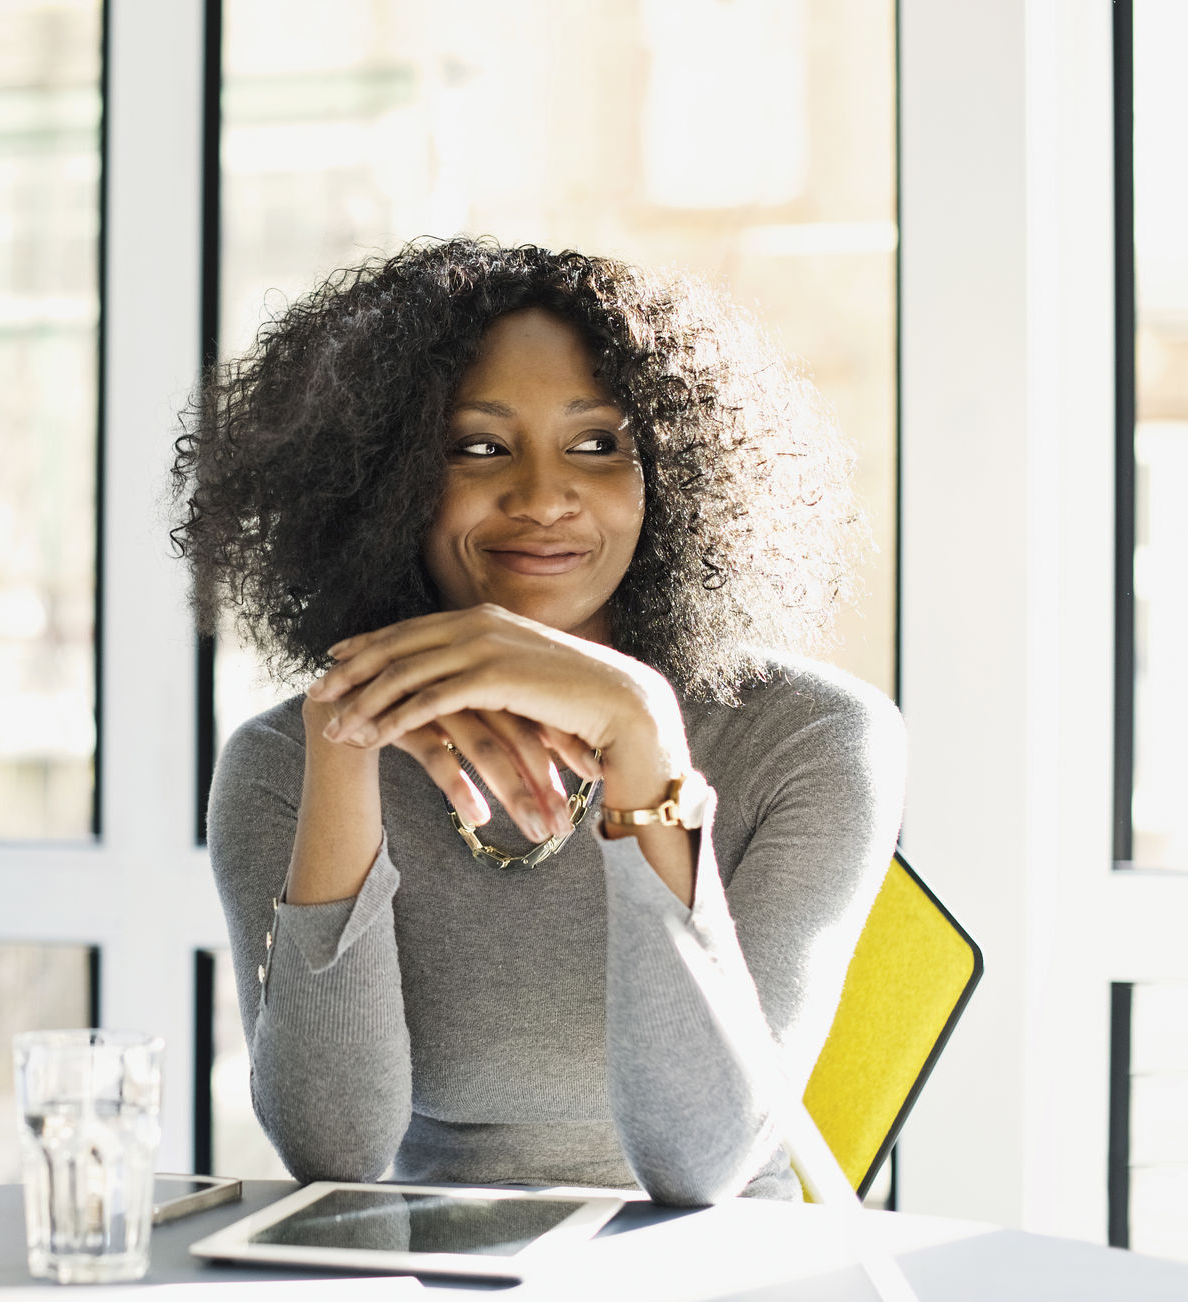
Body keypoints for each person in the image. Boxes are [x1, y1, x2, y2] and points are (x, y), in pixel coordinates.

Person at [171, 238, 904, 1204]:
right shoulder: (284, 759)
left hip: (717, 1285)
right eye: (479, 447)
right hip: (427, 1284)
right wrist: (347, 751)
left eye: (598, 444)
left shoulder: (813, 737)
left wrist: (643, 740)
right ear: (384, 484)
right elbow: (335, 1150)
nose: (542, 496)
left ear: (674, 480)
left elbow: (706, 1158)